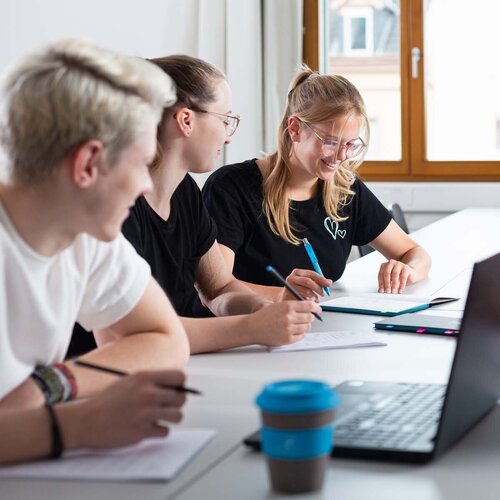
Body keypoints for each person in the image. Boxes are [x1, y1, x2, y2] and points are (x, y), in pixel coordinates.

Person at [0, 39, 190, 464]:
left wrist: (51, 383)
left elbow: (165, 339)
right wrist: (81, 425)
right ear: (88, 164)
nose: (146, 184)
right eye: (142, 163)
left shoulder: (82, 231)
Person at [119, 55, 322, 354]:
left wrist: (264, 309)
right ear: (186, 120)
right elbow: (143, 332)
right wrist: (252, 328)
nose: (227, 138)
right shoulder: (118, 207)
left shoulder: (186, 192)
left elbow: (219, 289)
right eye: (225, 120)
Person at [202, 68, 431, 297]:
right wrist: (285, 296)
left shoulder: (345, 189)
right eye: (330, 142)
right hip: (251, 326)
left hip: (320, 326)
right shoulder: (231, 188)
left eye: (351, 144)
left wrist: (406, 271)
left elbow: (415, 253)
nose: (342, 156)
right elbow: (215, 288)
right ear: (295, 129)